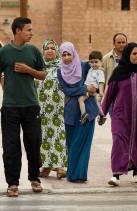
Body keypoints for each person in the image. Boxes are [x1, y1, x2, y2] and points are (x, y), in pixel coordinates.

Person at [0, 17, 46, 197]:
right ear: (17, 31)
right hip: (9, 107)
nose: (31, 33)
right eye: (28, 30)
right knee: (11, 146)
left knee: (33, 143)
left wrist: (27, 70)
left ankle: (34, 178)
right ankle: (12, 183)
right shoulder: (4, 53)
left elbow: (43, 75)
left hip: (31, 106)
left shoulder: (33, 51)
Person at [101, 42, 137, 187]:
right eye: (134, 53)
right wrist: (102, 112)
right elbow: (109, 94)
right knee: (119, 141)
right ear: (128, 54)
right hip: (121, 115)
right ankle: (116, 174)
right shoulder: (119, 72)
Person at [57, 42, 99, 183]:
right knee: (72, 144)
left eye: (69, 54)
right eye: (64, 55)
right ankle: (72, 174)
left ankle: (80, 175)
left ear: (73, 53)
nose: (67, 57)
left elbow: (98, 73)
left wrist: (96, 88)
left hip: (87, 110)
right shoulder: (60, 71)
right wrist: (86, 89)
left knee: (84, 144)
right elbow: (67, 90)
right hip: (71, 112)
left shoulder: (84, 65)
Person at [37, 39, 67, 179]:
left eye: (52, 48)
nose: (49, 50)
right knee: (43, 137)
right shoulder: (38, 66)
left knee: (58, 136)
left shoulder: (62, 67)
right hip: (41, 109)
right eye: (47, 48)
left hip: (58, 110)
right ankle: (46, 166)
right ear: (43, 50)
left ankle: (60, 166)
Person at [78, 51, 106, 124]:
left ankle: (83, 114)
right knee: (96, 102)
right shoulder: (91, 69)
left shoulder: (99, 72)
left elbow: (101, 82)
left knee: (80, 100)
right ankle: (102, 115)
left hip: (91, 89)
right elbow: (85, 62)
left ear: (101, 62)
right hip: (88, 89)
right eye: (92, 62)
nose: (94, 64)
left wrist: (101, 92)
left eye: (96, 62)